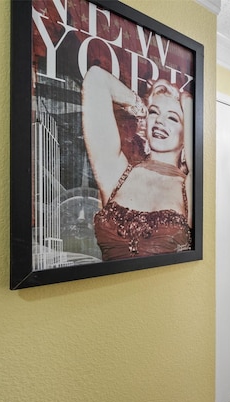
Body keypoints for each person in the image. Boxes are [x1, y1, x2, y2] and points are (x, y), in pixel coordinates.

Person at [81, 65, 193, 261]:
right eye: (154, 113)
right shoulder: (117, 172)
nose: (159, 122)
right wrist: (141, 107)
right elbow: (97, 79)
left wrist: (187, 100)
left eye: (173, 118)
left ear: (188, 134)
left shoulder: (189, 185)